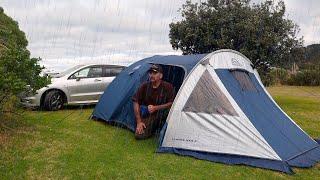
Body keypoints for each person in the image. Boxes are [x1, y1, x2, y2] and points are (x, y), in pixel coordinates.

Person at [132, 64, 175, 139]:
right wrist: (139, 122)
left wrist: (156, 108)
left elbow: (172, 103)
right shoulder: (144, 86)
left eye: (155, 73)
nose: (151, 75)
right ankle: (153, 128)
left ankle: (163, 129)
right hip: (148, 114)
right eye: (150, 73)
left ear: (161, 76)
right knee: (139, 135)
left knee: (168, 112)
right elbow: (135, 101)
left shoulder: (168, 87)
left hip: (163, 113)